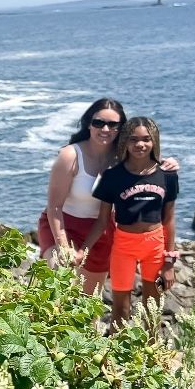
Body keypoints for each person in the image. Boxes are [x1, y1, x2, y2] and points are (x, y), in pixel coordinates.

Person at [38, 99, 177, 294]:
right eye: (99, 123)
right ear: (89, 123)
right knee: (57, 290)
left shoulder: (122, 157)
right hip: (62, 226)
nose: (105, 129)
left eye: (113, 125)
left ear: (122, 129)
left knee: (89, 306)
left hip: (100, 232)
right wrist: (64, 246)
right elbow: (54, 207)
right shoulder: (70, 155)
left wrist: (167, 162)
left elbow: (148, 162)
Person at [78, 117, 178, 327]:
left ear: (154, 141)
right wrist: (83, 250)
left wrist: (169, 262)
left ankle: (152, 356)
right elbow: (102, 220)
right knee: (120, 308)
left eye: (146, 139)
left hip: (155, 245)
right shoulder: (113, 176)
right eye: (133, 139)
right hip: (124, 245)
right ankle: (117, 357)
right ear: (125, 142)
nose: (140, 144)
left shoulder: (167, 175)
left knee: (153, 307)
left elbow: (169, 219)